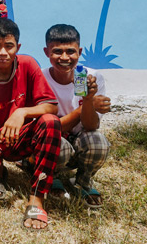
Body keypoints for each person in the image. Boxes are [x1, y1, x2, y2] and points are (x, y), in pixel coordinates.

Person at [0, 18, 61, 230]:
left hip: (20, 136)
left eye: (9, 46)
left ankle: (37, 198)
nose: (3, 53)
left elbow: (52, 107)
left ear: (18, 46)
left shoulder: (27, 65)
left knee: (50, 122)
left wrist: (22, 112)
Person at [42, 24, 111, 207]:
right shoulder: (41, 80)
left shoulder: (92, 77)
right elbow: (49, 128)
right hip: (55, 138)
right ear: (46, 52)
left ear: (79, 52)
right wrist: (83, 108)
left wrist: (88, 100)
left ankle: (83, 181)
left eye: (70, 51)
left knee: (98, 142)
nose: (64, 58)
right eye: (57, 51)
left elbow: (91, 126)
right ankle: (53, 177)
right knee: (55, 142)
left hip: (80, 137)